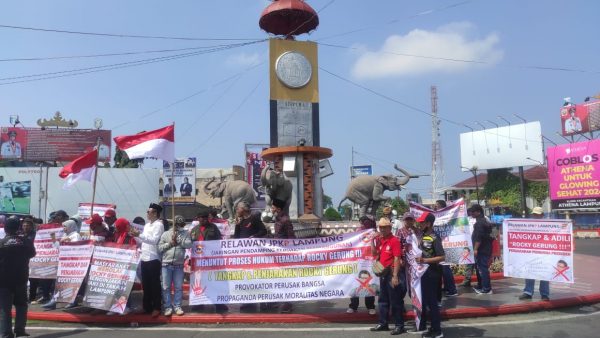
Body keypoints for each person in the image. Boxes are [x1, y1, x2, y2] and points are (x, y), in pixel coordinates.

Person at [0, 216, 36, 338]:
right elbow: (32, 254)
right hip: (21, 279)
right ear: (18, 227)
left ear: (5, 228)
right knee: (21, 305)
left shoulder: (1, 243)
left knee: (5, 308)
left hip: (4, 281)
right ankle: (20, 330)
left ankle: (6, 333)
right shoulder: (25, 241)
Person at [369, 218, 405, 336]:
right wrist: (371, 241)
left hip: (391, 273)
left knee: (395, 301)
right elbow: (375, 254)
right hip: (383, 274)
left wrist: (395, 276)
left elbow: (397, 258)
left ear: (390, 228)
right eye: (381, 227)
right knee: (382, 300)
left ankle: (399, 325)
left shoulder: (394, 240)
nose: (382, 229)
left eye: (385, 227)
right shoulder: (380, 240)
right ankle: (383, 323)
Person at [189, 211, 226, 313]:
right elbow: (190, 245)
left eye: (206, 217)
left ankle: (218, 303)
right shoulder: (194, 230)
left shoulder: (213, 228)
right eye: (202, 217)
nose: (204, 219)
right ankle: (199, 303)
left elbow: (219, 242)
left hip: (211, 260)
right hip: (199, 262)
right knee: (199, 282)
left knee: (214, 282)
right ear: (198, 218)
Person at [131, 203, 164, 317]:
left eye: (148, 211)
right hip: (144, 257)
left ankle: (157, 307)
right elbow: (143, 241)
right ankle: (147, 307)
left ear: (155, 213)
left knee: (154, 284)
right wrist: (135, 235)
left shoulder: (159, 225)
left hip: (153, 258)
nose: (147, 213)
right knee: (146, 285)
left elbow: (154, 240)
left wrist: (139, 234)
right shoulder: (147, 225)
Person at [416, 212, 445, 338]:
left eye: (422, 222)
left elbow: (442, 257)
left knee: (432, 302)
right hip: (423, 272)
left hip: (433, 272)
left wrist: (425, 261)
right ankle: (432, 327)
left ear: (428, 223)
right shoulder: (423, 235)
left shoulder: (434, 237)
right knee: (426, 301)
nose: (420, 224)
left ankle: (437, 331)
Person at [233, 202, 267, 312]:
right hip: (244, 256)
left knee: (256, 278)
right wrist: (237, 225)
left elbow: (263, 231)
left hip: (255, 256)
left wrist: (254, 237)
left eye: (238, 208)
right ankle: (248, 301)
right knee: (246, 278)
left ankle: (263, 301)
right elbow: (237, 238)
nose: (237, 210)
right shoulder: (241, 221)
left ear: (244, 209)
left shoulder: (254, 219)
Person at [158, 215, 192, 316]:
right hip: (166, 264)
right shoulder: (165, 234)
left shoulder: (186, 233)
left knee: (178, 287)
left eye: (182, 225)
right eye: (178, 224)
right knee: (165, 287)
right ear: (174, 224)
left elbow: (189, 244)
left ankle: (177, 306)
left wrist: (179, 240)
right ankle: (167, 307)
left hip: (179, 265)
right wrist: (170, 243)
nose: (180, 226)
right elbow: (160, 248)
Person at [519, 206, 550, 301]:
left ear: (542, 215)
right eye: (534, 214)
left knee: (545, 272)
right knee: (529, 271)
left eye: (538, 214)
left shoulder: (549, 224)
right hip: (531, 252)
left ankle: (544, 294)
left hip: (544, 251)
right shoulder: (528, 224)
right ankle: (528, 292)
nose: (536, 216)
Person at [270, 198, 295, 313]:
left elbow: (291, 238)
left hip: (284, 254)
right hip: (277, 253)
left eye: (273, 207)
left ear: (278, 209)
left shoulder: (285, 220)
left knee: (286, 279)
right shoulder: (277, 219)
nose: (271, 209)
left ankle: (287, 303)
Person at [349, 215, 377, 315]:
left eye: (367, 221)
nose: (365, 222)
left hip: (370, 262)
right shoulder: (357, 232)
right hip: (358, 261)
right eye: (363, 221)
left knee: (369, 283)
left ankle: (370, 306)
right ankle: (353, 306)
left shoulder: (375, 232)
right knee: (355, 284)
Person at [433, 200, 458, 299]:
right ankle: (448, 287)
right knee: (443, 269)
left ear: (442, 207)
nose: (435, 208)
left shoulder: (447, 217)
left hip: (447, 246)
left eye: (437, 206)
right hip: (440, 246)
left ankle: (452, 290)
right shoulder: (437, 217)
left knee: (446, 269)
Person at [470, 204, 493, 295]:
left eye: (473, 211)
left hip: (482, 250)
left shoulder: (479, 223)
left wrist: (475, 249)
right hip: (485, 248)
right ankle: (482, 286)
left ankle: (486, 289)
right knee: (481, 268)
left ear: (478, 212)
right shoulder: (484, 221)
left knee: (482, 269)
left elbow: (479, 238)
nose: (471, 213)